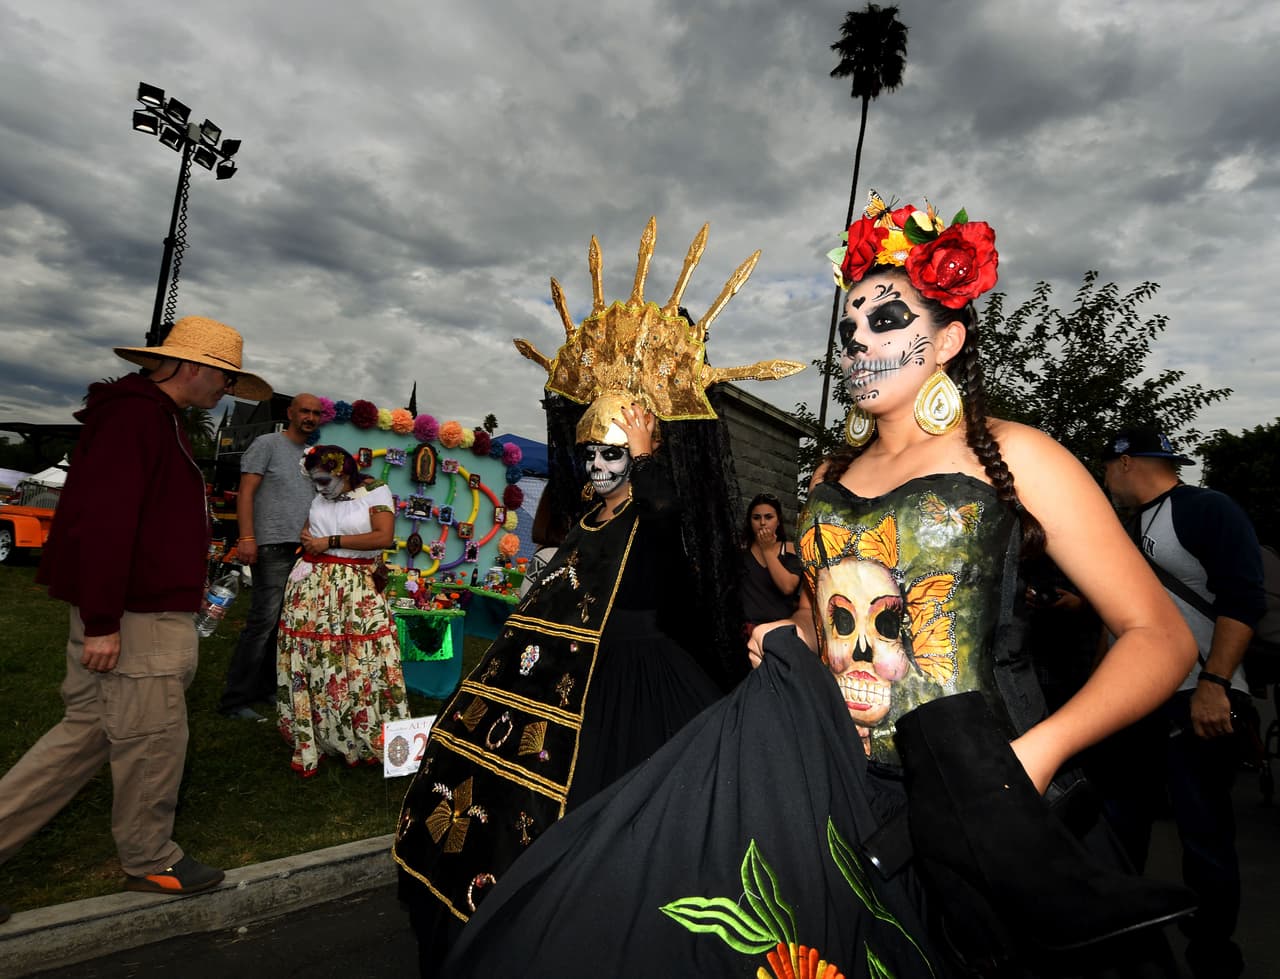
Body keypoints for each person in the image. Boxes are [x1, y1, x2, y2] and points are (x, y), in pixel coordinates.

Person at [437, 199, 1201, 978]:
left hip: (997, 807)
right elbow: (821, 615)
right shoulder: (831, 477)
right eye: (850, 327)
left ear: (947, 341)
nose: (859, 340)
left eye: (886, 320)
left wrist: (1037, 754)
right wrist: (794, 633)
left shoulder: (1017, 454)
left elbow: (1161, 637)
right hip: (841, 792)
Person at [393, 218, 802, 977]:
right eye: (590, 452)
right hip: (563, 677)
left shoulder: (658, 507)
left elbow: (672, 524)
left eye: (613, 453)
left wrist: (647, 458)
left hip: (640, 684)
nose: (598, 465)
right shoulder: (588, 517)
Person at [0, 316, 271, 897]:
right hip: (134, 617)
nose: (228, 389)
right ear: (193, 367)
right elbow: (105, 525)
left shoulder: (147, 417)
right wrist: (103, 622)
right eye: (226, 377)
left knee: (88, 734)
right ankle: (150, 857)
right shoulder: (138, 418)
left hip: (127, 609)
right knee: (153, 738)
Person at [1093, 428, 1265, 979]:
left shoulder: (1205, 509)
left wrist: (1215, 683)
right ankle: (1125, 948)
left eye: (1105, 468)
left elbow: (1243, 599)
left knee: (1203, 833)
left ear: (1124, 462)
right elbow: (1118, 620)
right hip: (1132, 702)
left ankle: (1212, 955)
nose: (1104, 480)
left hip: (1196, 695)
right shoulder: (1125, 528)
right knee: (1118, 830)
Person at [276, 445, 409, 776]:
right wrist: (310, 539)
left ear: (344, 472)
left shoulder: (375, 491)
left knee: (361, 657)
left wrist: (330, 542)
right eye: (314, 481)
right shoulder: (322, 496)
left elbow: (384, 536)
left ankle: (364, 733)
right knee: (314, 657)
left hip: (355, 587)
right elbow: (310, 530)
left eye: (324, 480)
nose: (319, 488)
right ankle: (320, 733)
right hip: (311, 586)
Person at [217, 392, 323, 720]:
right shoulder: (267, 444)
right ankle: (235, 700)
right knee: (262, 622)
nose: (309, 417)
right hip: (272, 544)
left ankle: (264, 688)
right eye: (304, 411)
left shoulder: (314, 455)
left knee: (283, 623)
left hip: (302, 549)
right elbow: (245, 493)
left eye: (316, 413)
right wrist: (247, 537)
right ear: (290, 413)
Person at [739, 492, 801, 630]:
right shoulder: (742, 551)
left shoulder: (789, 549)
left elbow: (787, 587)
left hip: (780, 629)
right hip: (748, 629)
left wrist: (766, 550)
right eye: (756, 518)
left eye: (768, 517)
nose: (762, 523)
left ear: (778, 521)